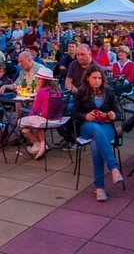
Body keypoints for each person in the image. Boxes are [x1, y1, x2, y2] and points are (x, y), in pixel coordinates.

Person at [72, 65, 123, 202]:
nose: (97, 81)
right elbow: (74, 113)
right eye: (94, 78)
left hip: (106, 126)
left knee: (95, 144)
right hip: (88, 126)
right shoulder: (81, 92)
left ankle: (99, 187)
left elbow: (118, 112)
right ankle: (113, 167)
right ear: (88, 78)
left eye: (99, 78)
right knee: (96, 130)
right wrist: (85, 116)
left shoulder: (108, 92)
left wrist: (113, 115)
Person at [17, 67, 62, 159]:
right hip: (58, 119)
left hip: (45, 120)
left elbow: (35, 109)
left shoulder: (42, 91)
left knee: (20, 122)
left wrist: (28, 118)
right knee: (36, 123)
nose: (36, 80)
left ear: (42, 80)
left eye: (38, 78)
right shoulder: (57, 89)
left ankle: (37, 143)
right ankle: (42, 144)